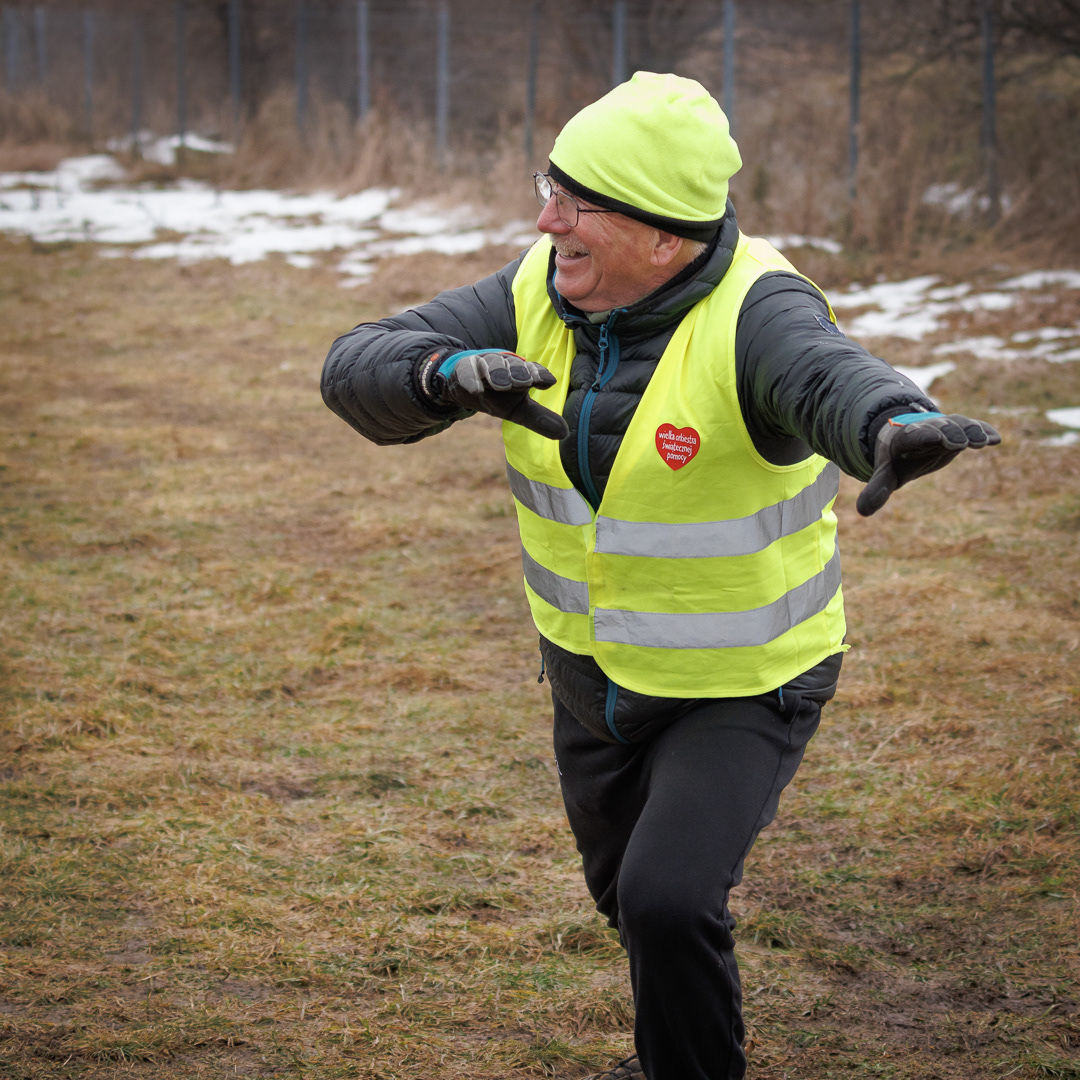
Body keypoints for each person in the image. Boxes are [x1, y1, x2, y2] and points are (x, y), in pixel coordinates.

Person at [321, 72, 999, 1080]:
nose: (547, 220)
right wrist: (445, 374)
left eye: (578, 203)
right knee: (627, 900)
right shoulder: (534, 288)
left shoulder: (756, 310)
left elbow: (826, 374)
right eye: (550, 189)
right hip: (590, 678)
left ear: (664, 237)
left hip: (744, 680)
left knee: (668, 899)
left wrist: (890, 423)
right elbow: (357, 360)